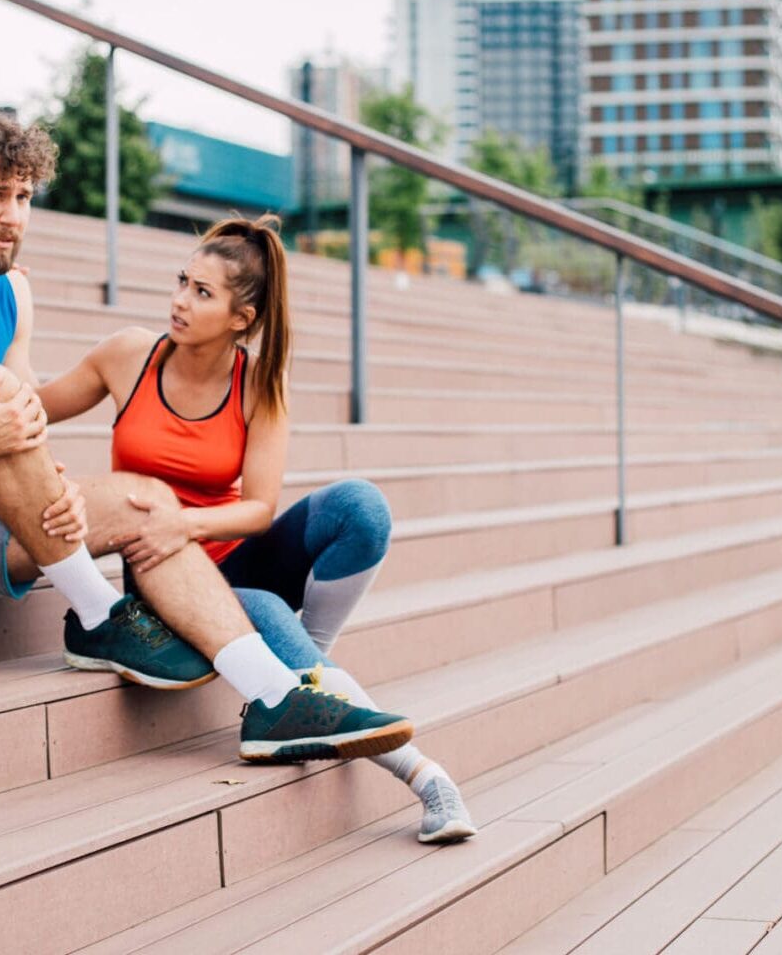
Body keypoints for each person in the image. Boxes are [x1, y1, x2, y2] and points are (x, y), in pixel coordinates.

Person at [0, 109, 411, 763]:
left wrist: (55, 494)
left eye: (23, 197)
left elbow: (20, 436)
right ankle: (99, 615)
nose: (14, 216)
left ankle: (276, 698)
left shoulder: (11, 292)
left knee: (151, 502)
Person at [39, 215, 477, 843]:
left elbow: (259, 509)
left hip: (230, 550)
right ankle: (426, 777)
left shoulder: (258, 384)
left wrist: (183, 521)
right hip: (168, 581)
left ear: (241, 318)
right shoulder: (127, 355)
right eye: (182, 282)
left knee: (361, 506)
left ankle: (307, 664)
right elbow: (38, 405)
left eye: (202, 293)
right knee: (265, 610)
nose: (180, 301)